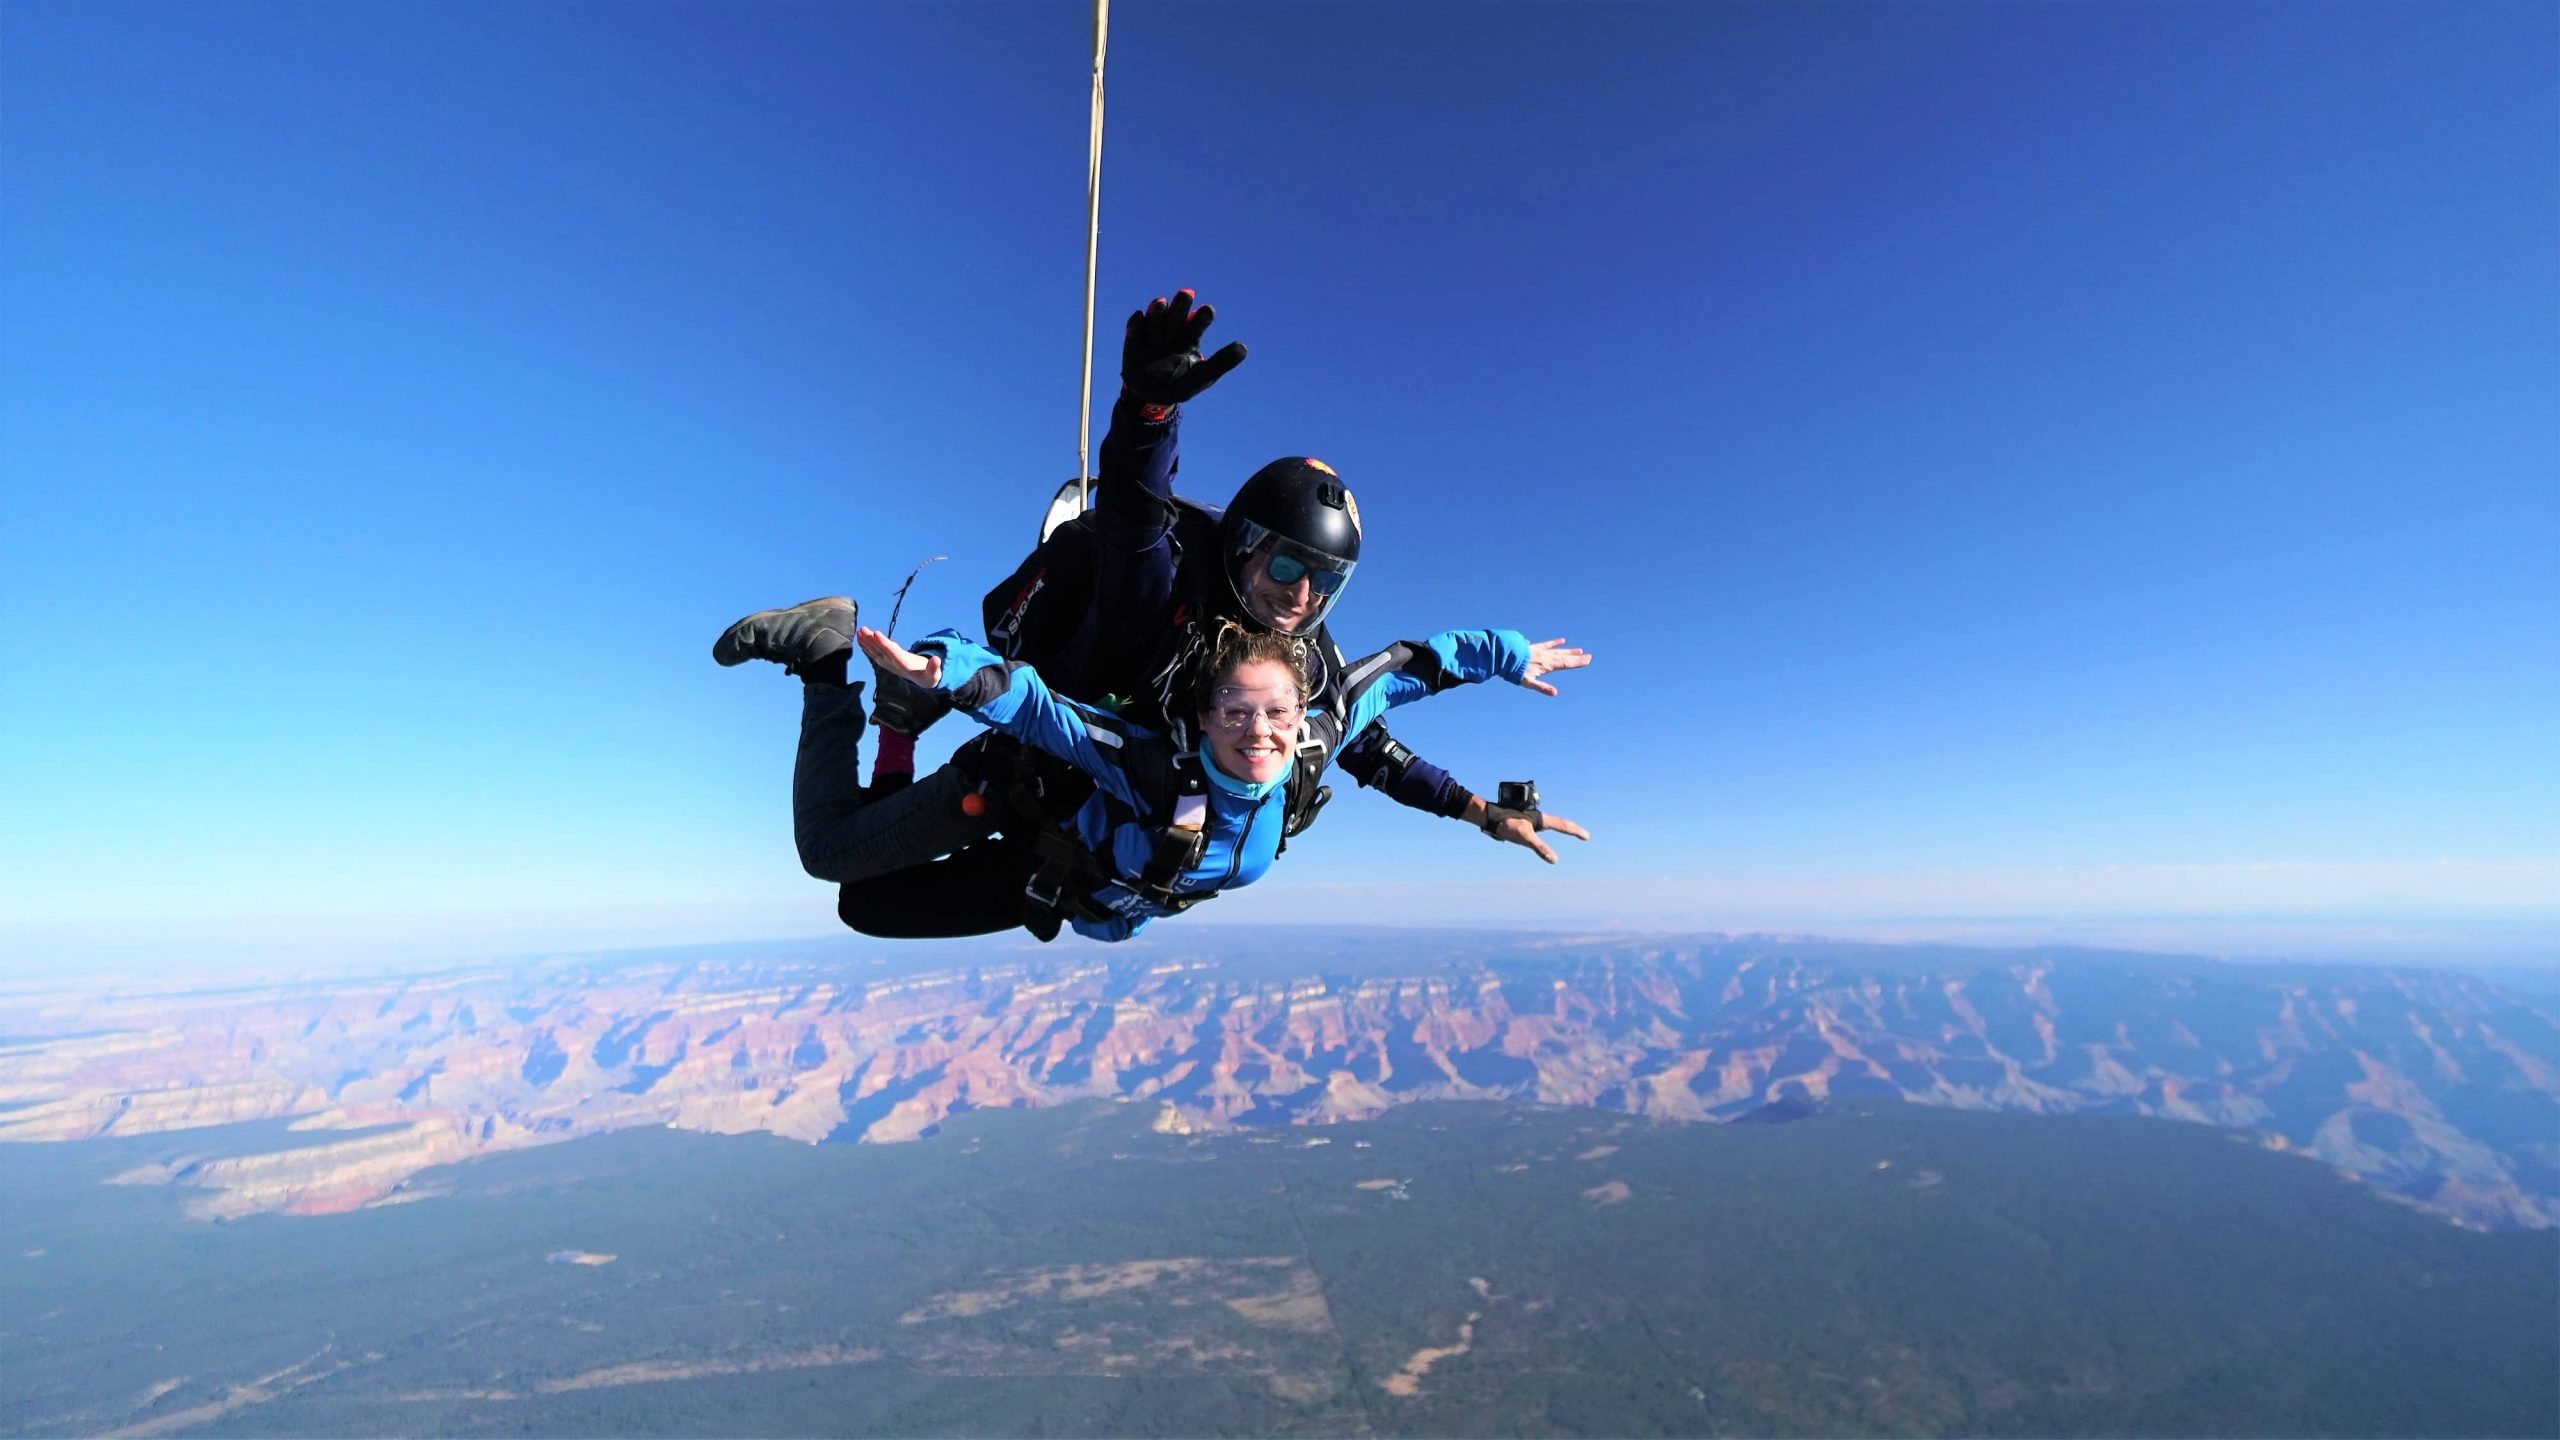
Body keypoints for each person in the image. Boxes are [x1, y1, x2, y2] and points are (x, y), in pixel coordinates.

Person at [713, 592, 1593, 941]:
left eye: (1276, 714)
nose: (1260, 732)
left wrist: (1506, 661)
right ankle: (830, 667)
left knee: (865, 908)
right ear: (1205, 715)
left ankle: (894, 735)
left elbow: (1413, 666)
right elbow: (1034, 705)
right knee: (840, 864)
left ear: (1301, 716)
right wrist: (941, 671)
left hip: (1066, 898)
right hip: (1042, 856)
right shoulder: (1147, 767)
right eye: (1237, 713)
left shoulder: (1315, 741)